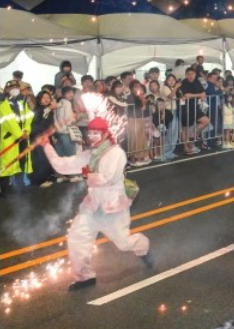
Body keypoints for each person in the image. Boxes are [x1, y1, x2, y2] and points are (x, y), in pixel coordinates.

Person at [37, 117, 152, 290]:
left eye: (96, 133)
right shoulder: (90, 154)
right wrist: (46, 145)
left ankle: (143, 248)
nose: (91, 137)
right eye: (89, 133)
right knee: (76, 237)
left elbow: (107, 178)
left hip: (113, 209)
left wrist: (87, 174)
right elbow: (62, 166)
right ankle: (84, 276)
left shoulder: (116, 153)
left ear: (105, 134)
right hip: (92, 207)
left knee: (124, 243)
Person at [0, 80, 34, 193]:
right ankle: (4, 190)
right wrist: (20, 134)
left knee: (21, 162)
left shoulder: (21, 102)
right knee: (6, 164)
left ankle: (20, 187)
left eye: (16, 87)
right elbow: (8, 121)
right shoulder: (2, 103)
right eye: (11, 87)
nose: (14, 89)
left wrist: (26, 131)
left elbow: (28, 117)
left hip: (23, 138)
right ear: (6, 90)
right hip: (9, 138)